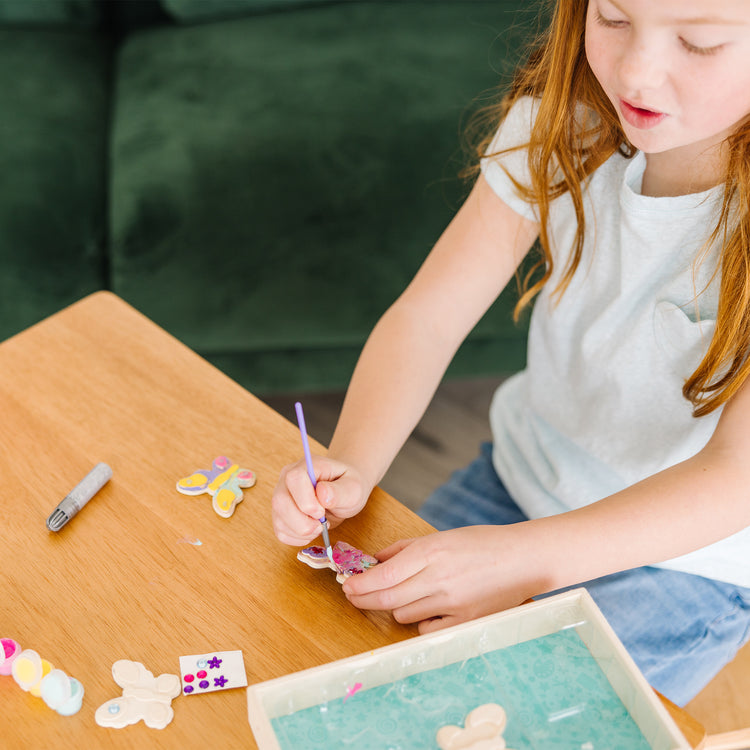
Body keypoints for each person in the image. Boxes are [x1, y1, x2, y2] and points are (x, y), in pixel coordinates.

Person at [272, 0, 750, 706]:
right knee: (337, 661)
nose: (638, 73)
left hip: (683, 562)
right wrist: (353, 460)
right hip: (516, 480)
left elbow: (734, 478)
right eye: (613, 19)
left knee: (513, 720)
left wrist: (522, 562)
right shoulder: (562, 123)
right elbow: (427, 318)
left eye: (700, 43)